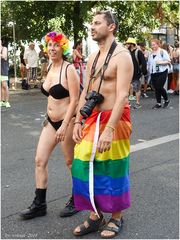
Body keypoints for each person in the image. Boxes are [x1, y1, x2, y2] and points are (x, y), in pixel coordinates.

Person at [72, 10, 133, 238]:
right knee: (82, 164)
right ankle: (95, 215)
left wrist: (109, 130)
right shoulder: (92, 57)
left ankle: (116, 217)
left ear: (111, 27)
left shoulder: (123, 56)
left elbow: (122, 96)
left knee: (113, 166)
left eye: (97, 23)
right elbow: (85, 92)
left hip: (114, 119)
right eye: (91, 23)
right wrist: (78, 119)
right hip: (91, 118)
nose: (92, 26)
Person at [19, 31, 80, 220]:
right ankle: (39, 204)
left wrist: (65, 125)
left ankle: (78, 199)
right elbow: (51, 97)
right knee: (39, 160)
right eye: (50, 45)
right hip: (51, 121)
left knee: (70, 162)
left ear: (63, 48)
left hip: (67, 122)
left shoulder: (68, 69)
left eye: (56, 45)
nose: (52, 48)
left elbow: (76, 100)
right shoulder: (49, 68)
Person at [148, 39, 171, 109]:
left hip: (162, 71)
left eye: (154, 44)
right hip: (153, 72)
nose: (152, 46)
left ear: (158, 44)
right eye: (151, 45)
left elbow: (169, 61)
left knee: (159, 87)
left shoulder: (162, 52)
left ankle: (166, 100)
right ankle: (158, 103)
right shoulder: (151, 53)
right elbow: (149, 63)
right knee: (156, 88)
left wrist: (161, 62)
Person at [125, 38, 147, 109]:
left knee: (136, 88)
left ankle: (138, 103)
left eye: (128, 43)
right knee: (127, 88)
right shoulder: (127, 52)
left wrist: (143, 71)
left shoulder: (138, 52)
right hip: (128, 72)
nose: (127, 45)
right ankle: (128, 102)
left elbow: (143, 62)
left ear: (132, 44)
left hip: (136, 73)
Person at [0, 39, 11, 108]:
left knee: (4, 85)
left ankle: (6, 102)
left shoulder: (4, 48)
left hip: (3, 68)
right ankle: (1, 101)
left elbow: (4, 56)